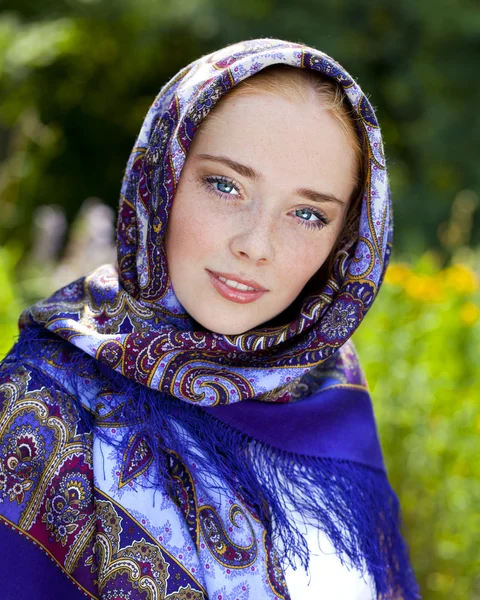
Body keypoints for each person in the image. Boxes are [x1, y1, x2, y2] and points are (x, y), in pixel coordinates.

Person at [0, 38, 419, 599]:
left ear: (346, 243)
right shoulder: (41, 401)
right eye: (226, 185)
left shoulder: (330, 388)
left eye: (308, 214)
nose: (256, 244)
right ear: (162, 179)